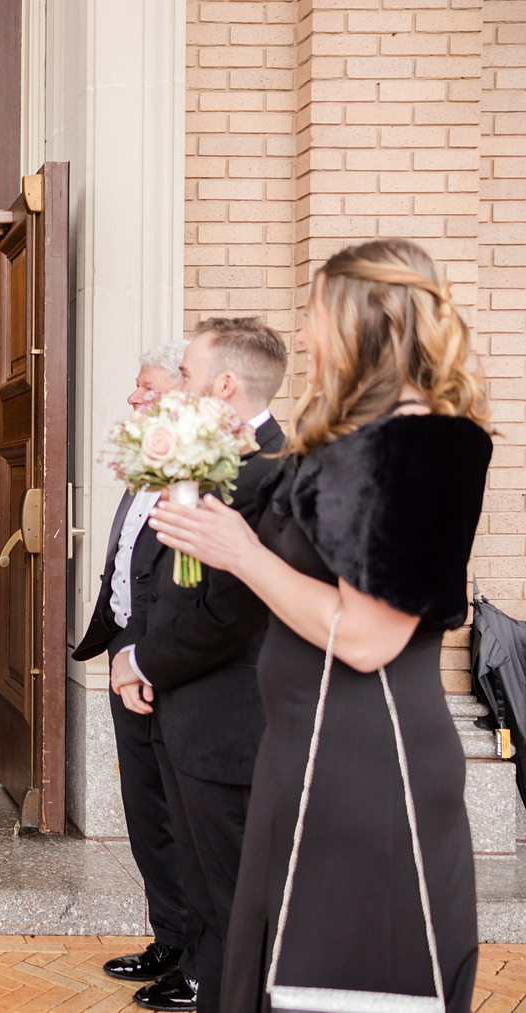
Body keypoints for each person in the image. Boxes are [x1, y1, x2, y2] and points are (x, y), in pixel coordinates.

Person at [150, 239, 490, 1011]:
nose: (303, 335)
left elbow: (369, 638)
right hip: (305, 745)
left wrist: (240, 553)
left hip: (367, 763)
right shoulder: (352, 438)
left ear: (362, 319)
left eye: (313, 313)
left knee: (341, 982)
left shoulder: (422, 443)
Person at [109, 319, 289, 1013]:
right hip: (190, 711)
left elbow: (231, 609)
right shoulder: (214, 460)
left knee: (244, 908)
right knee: (212, 901)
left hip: (231, 719)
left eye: (184, 376)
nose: (174, 390)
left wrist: (142, 660)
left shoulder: (267, 470)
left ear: (223, 385)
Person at [72, 340, 192, 990]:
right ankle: (169, 941)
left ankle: (201, 965)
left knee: (182, 821)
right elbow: (129, 568)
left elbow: (183, 587)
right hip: (128, 664)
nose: (133, 398)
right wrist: (120, 649)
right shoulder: (146, 466)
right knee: (146, 815)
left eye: (146, 388)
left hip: (168, 673)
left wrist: (146, 657)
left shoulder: (201, 477)